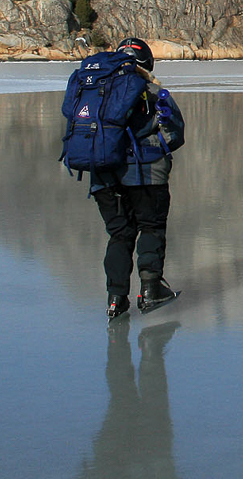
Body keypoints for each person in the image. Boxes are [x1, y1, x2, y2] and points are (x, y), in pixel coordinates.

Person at [91, 37, 182, 319]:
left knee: (119, 234)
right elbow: (175, 133)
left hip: (103, 173)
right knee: (151, 228)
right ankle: (151, 289)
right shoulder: (152, 91)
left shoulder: (96, 88)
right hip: (145, 173)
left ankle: (116, 298)